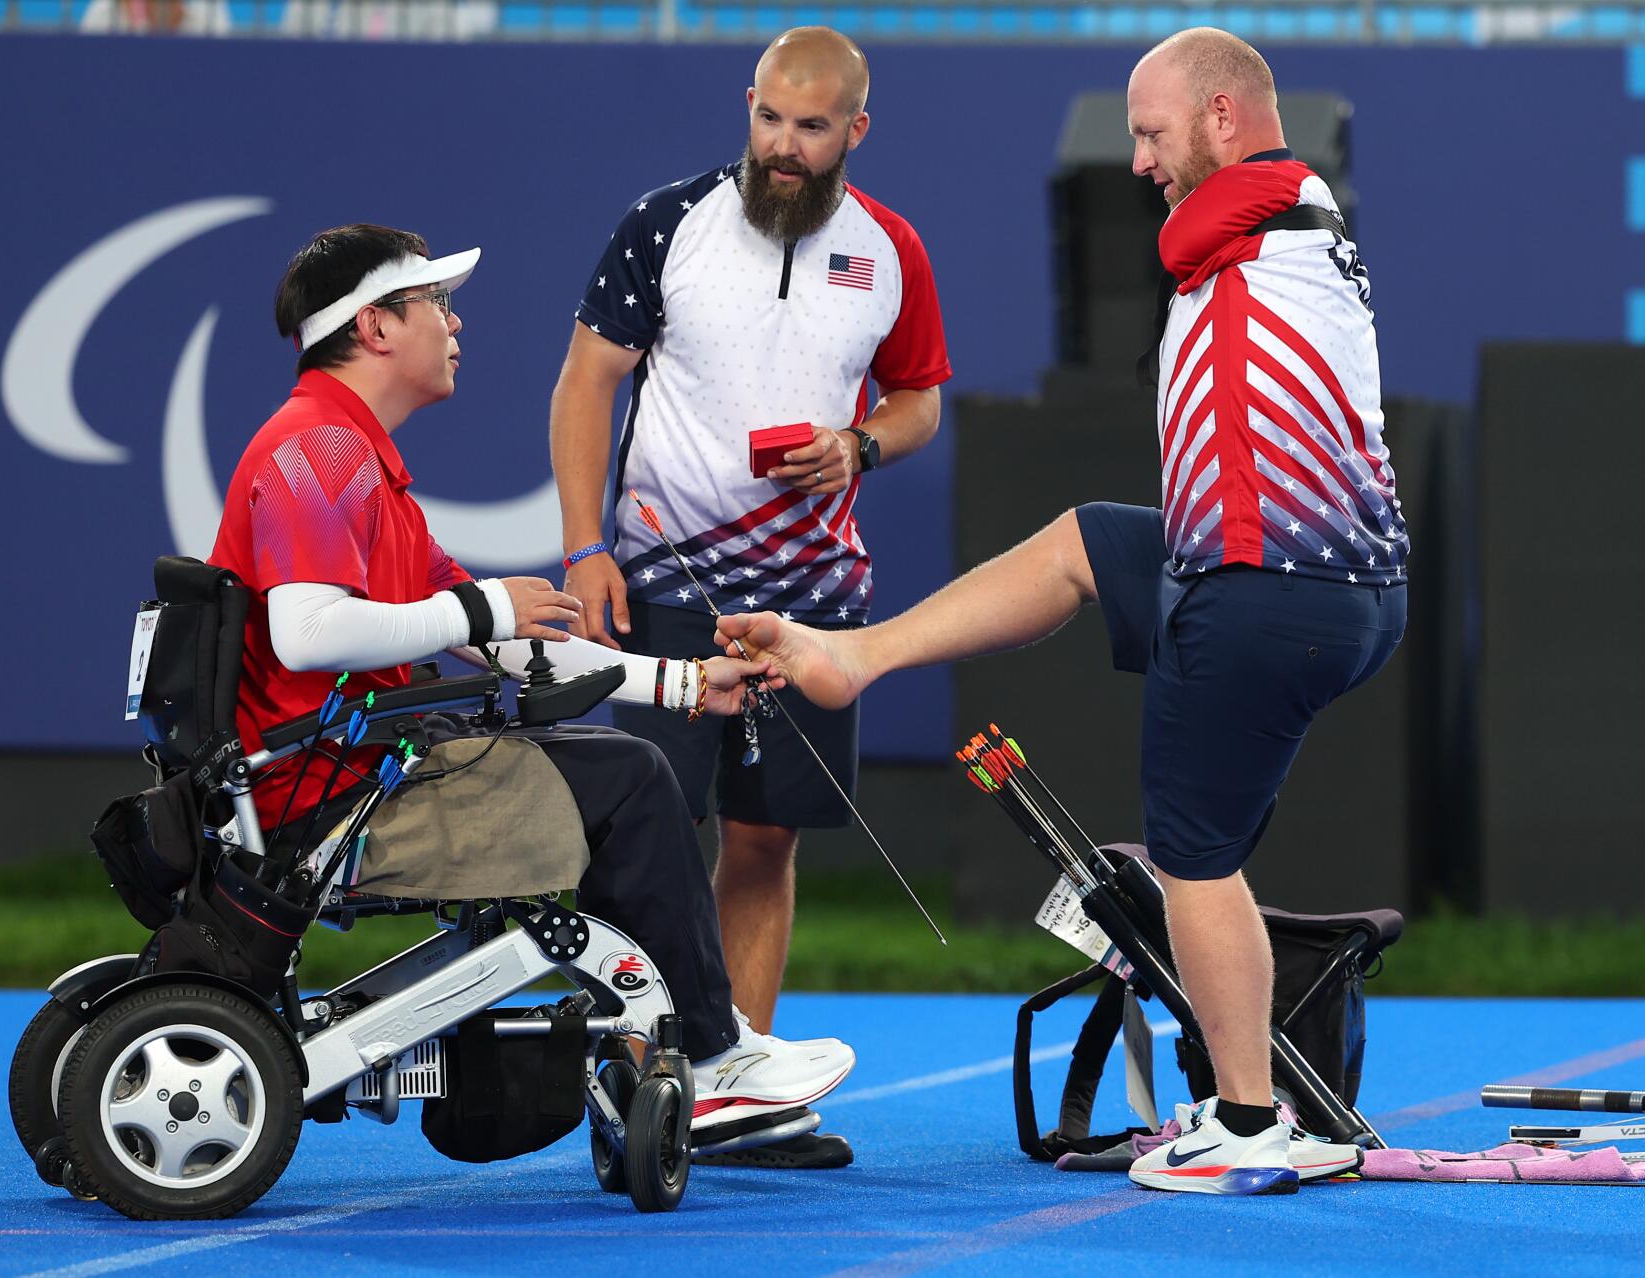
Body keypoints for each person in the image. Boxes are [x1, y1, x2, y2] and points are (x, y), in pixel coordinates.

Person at [717, 29, 1407, 1195]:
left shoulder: (1257, 205)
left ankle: (1245, 1124)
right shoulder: (1283, 225)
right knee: (1090, 538)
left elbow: (1194, 220)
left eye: (1149, 134)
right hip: (1305, 578)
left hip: (1268, 586)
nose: (1137, 162)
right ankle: (856, 658)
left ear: (1225, 122)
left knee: (1192, 859)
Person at [204, 223, 855, 1141]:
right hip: (336, 796)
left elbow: (509, 644)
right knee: (632, 781)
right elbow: (307, 634)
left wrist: (679, 683)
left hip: (343, 773)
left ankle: (688, 1042)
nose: (454, 323)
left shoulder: (356, 457)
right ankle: (711, 1054)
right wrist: (481, 613)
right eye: (436, 304)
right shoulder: (321, 450)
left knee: (619, 763)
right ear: (377, 327)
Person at [548, 24, 951, 1167]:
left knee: (765, 841)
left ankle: (739, 1095)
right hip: (665, 587)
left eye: (809, 126)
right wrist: (586, 547)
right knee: (647, 838)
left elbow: (919, 399)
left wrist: (858, 446)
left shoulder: (892, 250)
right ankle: (633, 1087)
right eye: (768, 117)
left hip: (814, 600)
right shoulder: (664, 223)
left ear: (853, 132)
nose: (781, 144)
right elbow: (584, 385)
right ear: (749, 105)